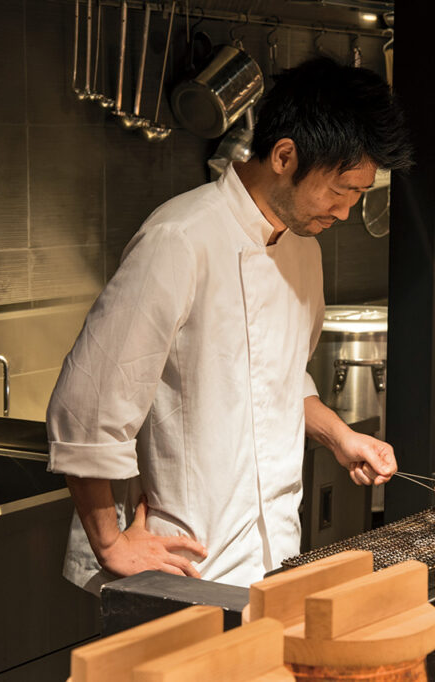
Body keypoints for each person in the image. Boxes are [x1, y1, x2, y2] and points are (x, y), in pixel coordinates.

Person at [46, 57, 414, 593]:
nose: (345, 211)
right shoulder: (180, 239)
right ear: (285, 155)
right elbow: (86, 406)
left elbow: (281, 387)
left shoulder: (303, 254)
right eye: (341, 191)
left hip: (272, 562)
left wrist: (340, 437)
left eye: (358, 195)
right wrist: (110, 542)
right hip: (182, 567)